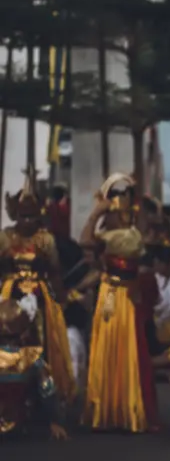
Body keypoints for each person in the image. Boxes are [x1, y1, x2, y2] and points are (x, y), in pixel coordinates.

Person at [81, 174, 159, 432]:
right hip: (110, 293)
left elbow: (148, 235)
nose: (121, 200)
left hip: (130, 294)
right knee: (107, 346)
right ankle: (105, 411)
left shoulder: (137, 224)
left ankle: (132, 410)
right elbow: (85, 241)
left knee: (133, 350)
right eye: (116, 194)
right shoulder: (104, 225)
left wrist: (141, 198)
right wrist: (96, 213)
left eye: (125, 194)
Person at [0, 170, 75, 402]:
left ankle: (44, 391)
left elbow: (54, 272)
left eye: (32, 216)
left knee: (41, 338)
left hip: (39, 293)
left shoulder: (46, 239)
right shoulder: (5, 237)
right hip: (10, 292)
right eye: (23, 216)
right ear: (15, 215)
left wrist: (59, 299)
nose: (27, 221)